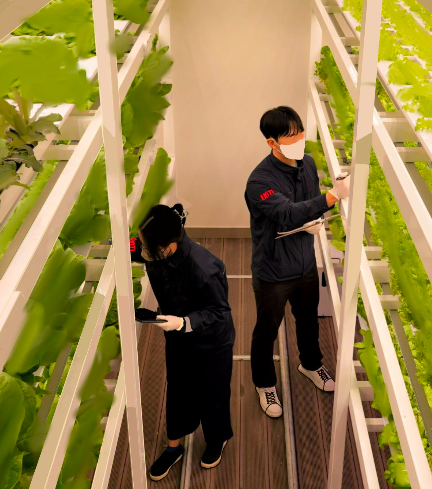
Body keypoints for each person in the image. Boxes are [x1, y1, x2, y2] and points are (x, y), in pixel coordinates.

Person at [244, 106, 350, 418]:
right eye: (290, 136)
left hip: (305, 263)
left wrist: (317, 217)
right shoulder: (259, 181)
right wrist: (331, 199)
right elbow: (287, 213)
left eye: (300, 132)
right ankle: (265, 385)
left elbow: (307, 207)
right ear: (272, 143)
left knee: (308, 320)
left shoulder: (308, 164)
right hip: (274, 271)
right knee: (267, 330)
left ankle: (311, 365)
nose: (298, 140)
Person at [129, 203, 236, 481]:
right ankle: (173, 446)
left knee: (213, 392)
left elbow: (219, 312)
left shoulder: (204, 267)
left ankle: (216, 439)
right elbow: (134, 249)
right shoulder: (155, 251)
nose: (141, 249)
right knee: (178, 390)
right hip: (177, 338)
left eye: (145, 245)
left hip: (212, 342)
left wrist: (184, 322)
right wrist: (115, 240)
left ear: (168, 246)